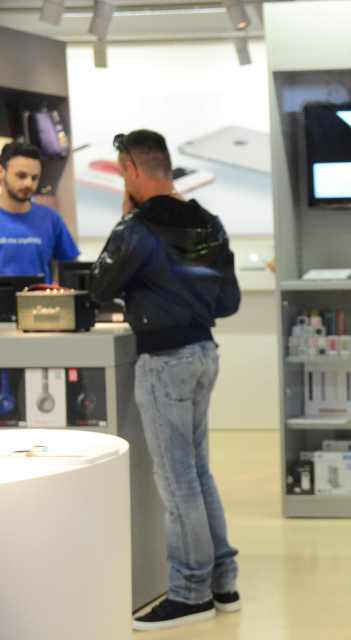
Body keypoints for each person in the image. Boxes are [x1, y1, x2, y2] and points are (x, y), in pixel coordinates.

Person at [88, 129, 242, 632]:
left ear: (130, 170)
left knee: (178, 483)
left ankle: (189, 593)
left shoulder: (136, 229)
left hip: (163, 362)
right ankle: (223, 583)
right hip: (204, 354)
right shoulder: (208, 223)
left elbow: (98, 287)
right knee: (198, 473)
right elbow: (228, 302)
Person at [0, 142, 79, 282]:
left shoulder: (51, 219)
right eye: (21, 176)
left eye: (34, 178)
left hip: (41, 303)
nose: (29, 184)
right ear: (1, 172)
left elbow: (71, 269)